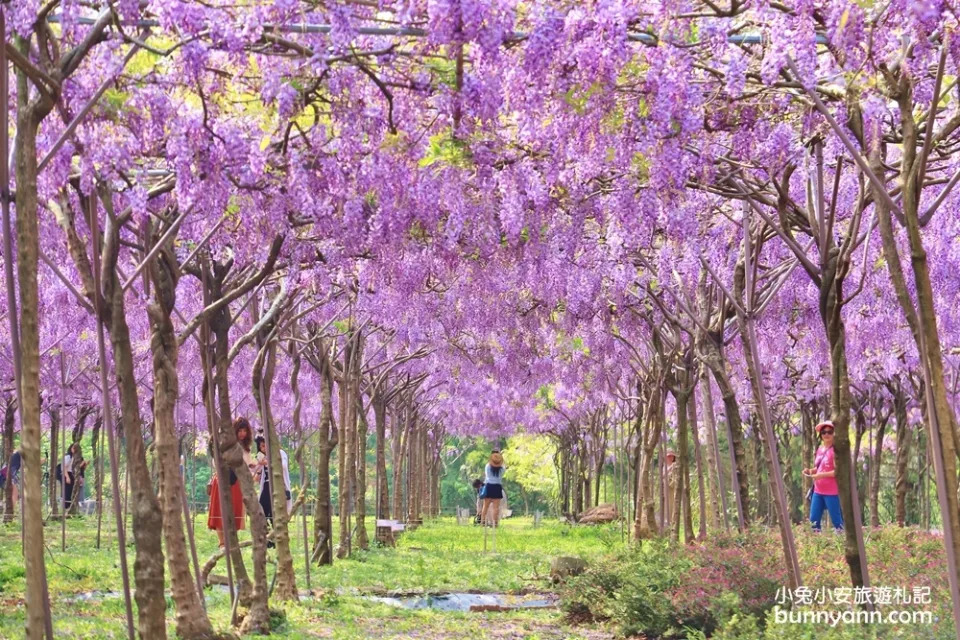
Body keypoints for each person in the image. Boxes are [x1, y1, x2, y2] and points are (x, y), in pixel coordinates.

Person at [207, 418, 254, 546]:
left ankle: (231, 541)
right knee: (219, 510)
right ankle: (222, 542)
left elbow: (248, 464)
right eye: (240, 430)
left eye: (245, 431)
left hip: (237, 482)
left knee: (235, 511)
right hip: (223, 479)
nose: (242, 433)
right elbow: (216, 460)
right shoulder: (226, 444)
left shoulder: (246, 448)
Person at [804, 421, 843, 532]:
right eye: (823, 432)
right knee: (813, 521)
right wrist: (810, 471)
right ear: (820, 434)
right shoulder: (820, 450)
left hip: (831, 491)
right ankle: (817, 545)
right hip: (818, 490)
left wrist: (821, 475)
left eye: (829, 432)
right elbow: (819, 468)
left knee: (837, 522)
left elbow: (837, 472)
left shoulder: (836, 451)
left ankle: (842, 544)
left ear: (834, 434)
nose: (826, 434)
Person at [254, 435, 292, 529]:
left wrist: (267, 462)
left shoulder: (280, 453)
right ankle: (267, 538)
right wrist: (258, 468)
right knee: (261, 513)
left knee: (275, 514)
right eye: (262, 446)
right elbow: (256, 477)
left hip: (278, 486)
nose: (264, 448)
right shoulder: (262, 457)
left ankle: (276, 537)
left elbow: (283, 466)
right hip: (266, 488)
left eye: (265, 445)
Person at [479, 451, 505, 527]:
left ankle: (482, 523)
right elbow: (502, 470)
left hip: (489, 486)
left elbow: (487, 476)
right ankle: (495, 524)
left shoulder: (487, 466)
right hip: (497, 487)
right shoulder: (502, 469)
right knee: (496, 508)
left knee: (485, 506)